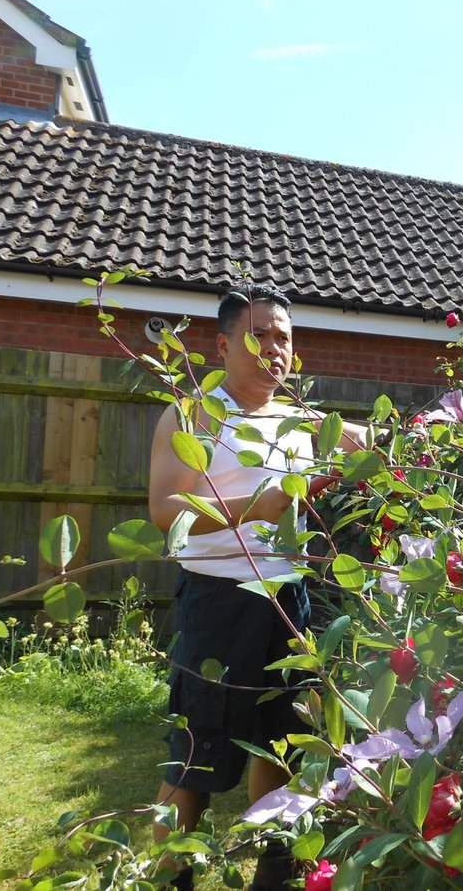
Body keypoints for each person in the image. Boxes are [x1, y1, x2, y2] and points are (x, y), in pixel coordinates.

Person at [147, 283, 368, 890]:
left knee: (284, 736)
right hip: (218, 600)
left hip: (289, 599)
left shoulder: (303, 420)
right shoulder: (192, 414)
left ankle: (274, 866)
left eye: (283, 338)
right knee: (198, 747)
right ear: (222, 345)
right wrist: (262, 504)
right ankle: (169, 876)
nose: (274, 348)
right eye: (259, 335)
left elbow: (372, 449)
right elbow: (168, 510)